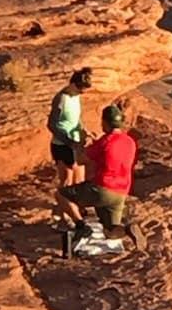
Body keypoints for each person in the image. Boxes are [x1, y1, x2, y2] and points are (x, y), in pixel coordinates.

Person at [57, 104, 147, 252]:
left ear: (105, 122)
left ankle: (80, 227)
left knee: (61, 195)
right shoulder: (130, 141)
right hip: (121, 192)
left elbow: (80, 160)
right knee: (110, 232)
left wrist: (81, 144)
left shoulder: (105, 141)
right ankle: (127, 229)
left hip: (102, 189)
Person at [48, 68, 93, 223]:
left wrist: (84, 131)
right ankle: (59, 213)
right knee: (67, 180)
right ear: (73, 84)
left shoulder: (76, 97)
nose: (82, 93)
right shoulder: (61, 98)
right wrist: (67, 141)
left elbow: (76, 119)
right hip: (62, 145)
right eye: (80, 89)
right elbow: (51, 124)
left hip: (75, 142)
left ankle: (69, 211)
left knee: (79, 180)